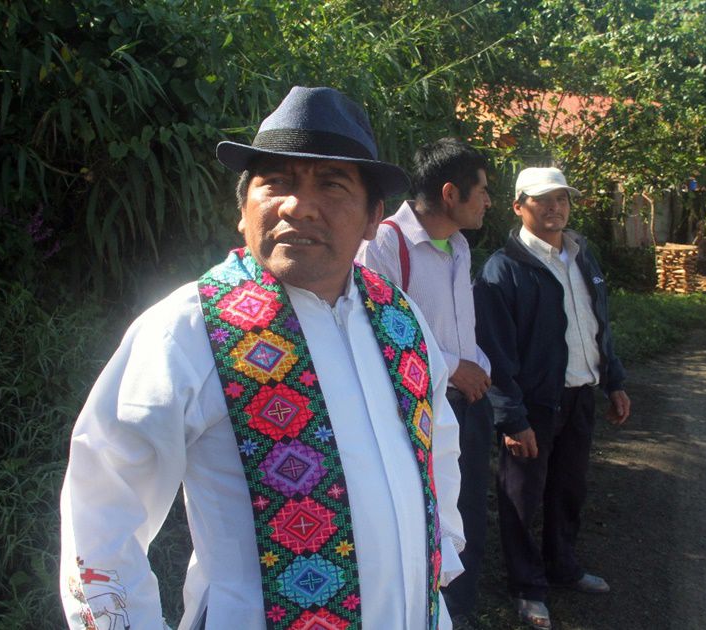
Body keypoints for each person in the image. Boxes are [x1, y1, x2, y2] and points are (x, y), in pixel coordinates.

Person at [59, 86, 466, 630]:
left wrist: (436, 565)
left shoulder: (400, 319)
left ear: (373, 219)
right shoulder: (190, 329)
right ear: (242, 209)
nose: (298, 205)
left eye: (332, 183)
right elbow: (102, 510)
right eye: (275, 181)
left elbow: (438, 445)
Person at [474, 167, 631, 630]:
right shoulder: (503, 270)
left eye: (561, 199)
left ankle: (563, 567)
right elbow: (495, 354)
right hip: (534, 405)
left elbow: (598, 324)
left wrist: (614, 380)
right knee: (522, 497)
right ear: (518, 206)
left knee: (569, 489)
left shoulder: (583, 257)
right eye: (543, 200)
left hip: (580, 394)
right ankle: (526, 587)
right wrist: (511, 417)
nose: (554, 208)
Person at [356, 138, 493, 628]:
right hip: (419, 412)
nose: (488, 202)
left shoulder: (458, 245)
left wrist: (476, 365)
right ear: (451, 193)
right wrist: (455, 366)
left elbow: (458, 324)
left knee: (467, 511)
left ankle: (458, 609)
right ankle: (426, 608)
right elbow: (375, 329)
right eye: (481, 190)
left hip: (469, 402)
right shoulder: (385, 244)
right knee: (423, 512)